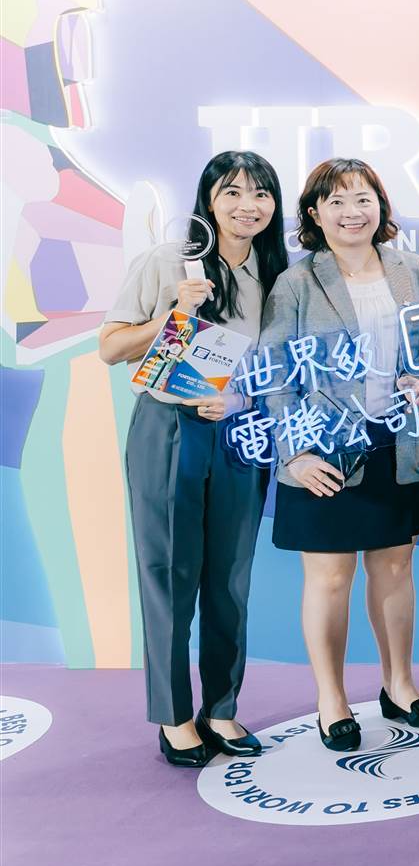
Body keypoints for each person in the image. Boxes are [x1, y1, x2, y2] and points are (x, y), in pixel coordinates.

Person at [100, 151, 288, 767]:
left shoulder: (275, 271)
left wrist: (242, 399)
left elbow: (278, 363)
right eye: (232, 192)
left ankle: (222, 709)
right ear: (208, 199)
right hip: (170, 430)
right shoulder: (168, 260)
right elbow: (111, 347)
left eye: (260, 194)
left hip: (240, 431)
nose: (247, 206)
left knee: (231, 577)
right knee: (169, 575)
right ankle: (175, 717)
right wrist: (174, 314)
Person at [259, 158, 419, 752]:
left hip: (397, 443)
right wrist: (294, 453)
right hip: (322, 450)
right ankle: (332, 700)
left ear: (380, 206)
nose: (351, 212)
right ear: (315, 214)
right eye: (336, 201)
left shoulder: (414, 270)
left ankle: (401, 686)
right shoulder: (296, 282)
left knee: (395, 568)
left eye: (363, 198)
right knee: (331, 577)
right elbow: (274, 375)